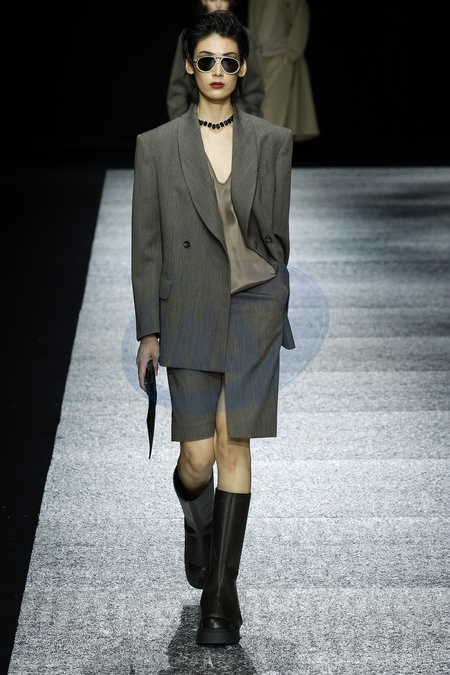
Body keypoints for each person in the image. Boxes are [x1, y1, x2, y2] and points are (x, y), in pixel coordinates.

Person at [132, 9, 295, 645]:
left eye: (230, 60)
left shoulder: (272, 142)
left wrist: (275, 292)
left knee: (235, 443)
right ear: (190, 66)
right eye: (208, 61)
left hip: (253, 307)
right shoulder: (157, 147)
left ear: (243, 67)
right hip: (189, 309)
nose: (219, 70)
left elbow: (276, 235)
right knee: (196, 459)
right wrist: (150, 330)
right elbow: (147, 247)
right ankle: (197, 519)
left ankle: (221, 597)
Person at [166, 0, 264, 120]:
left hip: (239, 114)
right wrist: (182, 123)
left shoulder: (244, 37)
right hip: (196, 115)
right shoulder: (189, 36)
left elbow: (254, 86)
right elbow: (177, 88)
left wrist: (252, 120)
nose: (218, 4)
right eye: (206, 60)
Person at [248, 0, 320, 141]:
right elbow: (254, 21)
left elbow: (300, 20)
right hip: (261, 57)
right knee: (262, 106)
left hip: (281, 58)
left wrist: (292, 53)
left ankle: (269, 148)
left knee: (274, 109)